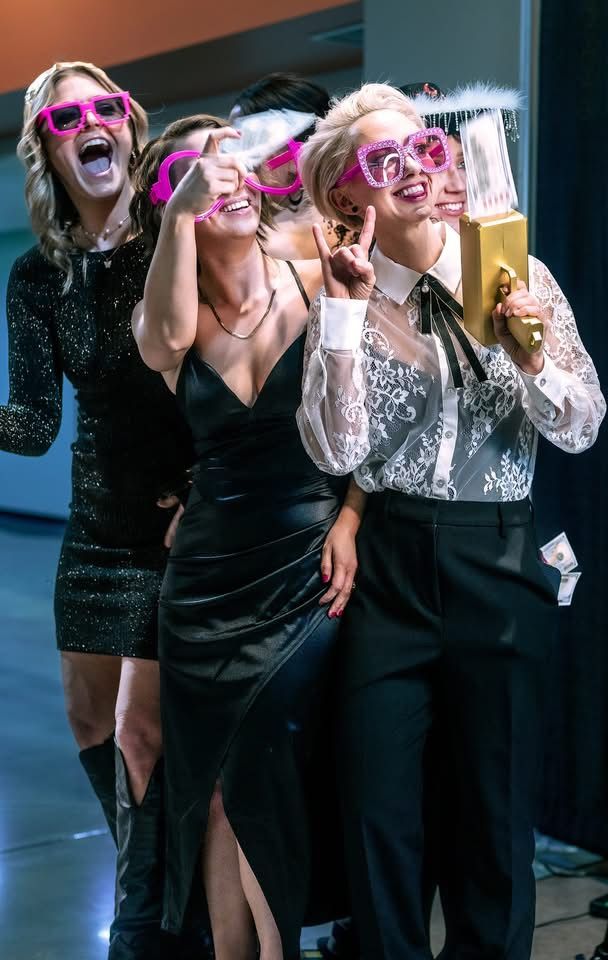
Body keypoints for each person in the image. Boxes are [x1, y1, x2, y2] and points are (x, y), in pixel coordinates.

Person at [297, 83, 606, 960]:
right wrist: (348, 314)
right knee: (379, 815)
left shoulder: (514, 272)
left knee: (495, 819)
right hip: (387, 567)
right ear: (345, 194)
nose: (415, 172)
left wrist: (533, 355)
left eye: (424, 151)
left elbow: (583, 425)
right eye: (384, 160)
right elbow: (333, 447)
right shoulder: (347, 298)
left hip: (498, 557)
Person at [130, 113, 362, 960]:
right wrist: (173, 218)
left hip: (307, 567)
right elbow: (161, 341)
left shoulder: (314, 274)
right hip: (204, 588)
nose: (218, 180)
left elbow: (373, 418)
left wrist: (353, 516)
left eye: (228, 164)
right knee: (217, 790)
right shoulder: (169, 318)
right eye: (191, 173)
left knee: (267, 768)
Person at [0, 61, 203, 960]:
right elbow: (36, 423)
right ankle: (153, 884)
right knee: (93, 725)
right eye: (65, 116)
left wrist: (210, 491)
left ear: (129, 126)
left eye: (105, 108)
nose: (90, 124)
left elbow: (229, 371)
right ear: (48, 146)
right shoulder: (36, 278)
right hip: (93, 529)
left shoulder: (177, 234)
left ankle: (150, 926)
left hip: (178, 521)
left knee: (146, 731)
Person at [230, 72, 358, 259]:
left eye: (249, 141)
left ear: (296, 151)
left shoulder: (257, 243)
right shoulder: (362, 215)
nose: (236, 156)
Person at [403, 80, 523, 231]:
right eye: (435, 164)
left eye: (464, 164)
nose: (458, 186)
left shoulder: (514, 255)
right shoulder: (367, 255)